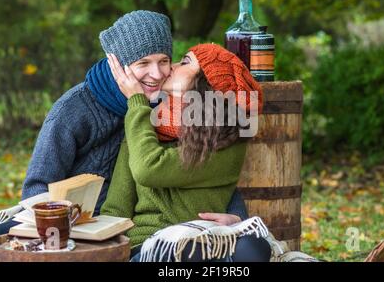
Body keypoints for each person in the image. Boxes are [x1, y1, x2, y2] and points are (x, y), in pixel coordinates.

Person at [0, 11, 248, 261]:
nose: (157, 74)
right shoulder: (75, 109)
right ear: (117, 65)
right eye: (143, 63)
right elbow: (36, 188)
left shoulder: (163, 108)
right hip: (66, 221)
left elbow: (203, 162)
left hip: (118, 227)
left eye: (164, 61)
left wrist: (237, 216)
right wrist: (64, 228)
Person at [101, 43, 272, 262]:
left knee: (253, 249)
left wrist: (137, 102)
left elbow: (150, 168)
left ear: (205, 84)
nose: (170, 67)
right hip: (152, 247)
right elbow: (116, 208)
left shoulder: (227, 142)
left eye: (185, 62)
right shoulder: (142, 128)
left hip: (206, 242)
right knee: (187, 253)